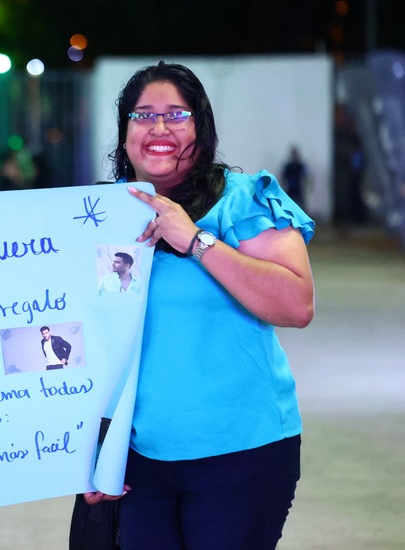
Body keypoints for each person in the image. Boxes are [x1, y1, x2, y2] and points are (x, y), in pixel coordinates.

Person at [78, 62, 315, 549]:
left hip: (241, 453)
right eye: (143, 115)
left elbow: (296, 305)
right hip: (137, 458)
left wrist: (195, 241)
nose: (159, 128)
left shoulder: (243, 200)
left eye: (176, 114)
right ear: (124, 133)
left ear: (201, 128)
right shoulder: (98, 217)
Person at [280, 145, 308, 211]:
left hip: (298, 188)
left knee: (301, 206)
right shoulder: (288, 166)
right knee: (288, 205)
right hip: (290, 188)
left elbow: (305, 177)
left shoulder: (300, 166)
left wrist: (305, 185)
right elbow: (283, 177)